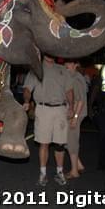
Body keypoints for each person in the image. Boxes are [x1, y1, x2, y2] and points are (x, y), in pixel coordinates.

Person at [23, 55, 74, 186]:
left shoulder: (62, 70)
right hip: (43, 109)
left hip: (61, 109)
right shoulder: (36, 69)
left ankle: (60, 172)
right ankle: (43, 174)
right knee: (44, 143)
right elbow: (27, 89)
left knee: (60, 143)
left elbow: (69, 90)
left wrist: (71, 108)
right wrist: (27, 101)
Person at [63, 58, 87, 179]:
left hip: (77, 113)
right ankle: (79, 165)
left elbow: (80, 100)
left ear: (75, 65)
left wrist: (75, 118)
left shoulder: (76, 78)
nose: (66, 64)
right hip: (74, 114)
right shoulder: (72, 76)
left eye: (69, 63)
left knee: (71, 142)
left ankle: (74, 172)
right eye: (65, 63)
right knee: (67, 141)